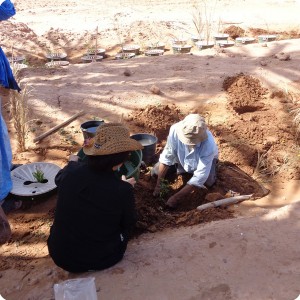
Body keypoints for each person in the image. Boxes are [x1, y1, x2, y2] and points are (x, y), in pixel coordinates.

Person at [47, 123, 143, 273]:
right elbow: (129, 222)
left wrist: (72, 162)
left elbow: (60, 178)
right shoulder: (122, 190)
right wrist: (125, 188)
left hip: (60, 254)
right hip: (101, 259)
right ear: (120, 161)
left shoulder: (70, 172)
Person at [152, 113, 219, 208]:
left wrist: (175, 198)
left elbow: (200, 176)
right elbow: (167, 157)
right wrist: (158, 185)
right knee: (155, 172)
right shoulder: (175, 130)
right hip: (180, 160)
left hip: (201, 163)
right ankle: (182, 171)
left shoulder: (209, 145)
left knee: (208, 182)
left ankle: (212, 168)